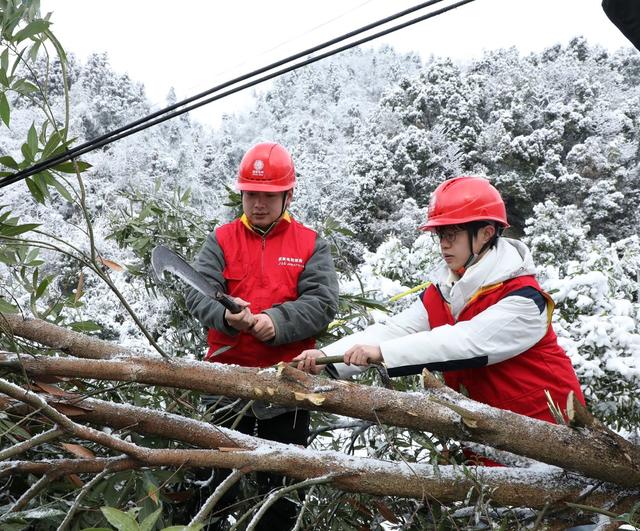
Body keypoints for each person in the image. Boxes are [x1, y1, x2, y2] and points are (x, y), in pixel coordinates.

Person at [294, 175, 585, 430]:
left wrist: (380, 353)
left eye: (452, 234)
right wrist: (323, 359)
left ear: (485, 233)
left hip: (548, 434)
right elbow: (395, 330)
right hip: (491, 437)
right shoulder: (446, 290)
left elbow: (467, 342)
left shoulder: (524, 300)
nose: (444, 243)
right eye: (440, 235)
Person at [185, 142, 339, 529]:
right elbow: (196, 291)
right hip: (224, 381)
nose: (258, 203)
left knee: (282, 490)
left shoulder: (310, 243)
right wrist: (225, 314)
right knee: (213, 479)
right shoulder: (221, 239)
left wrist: (278, 321)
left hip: (288, 384)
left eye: (268, 195)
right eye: (251, 194)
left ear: (288, 194)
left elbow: (322, 302)